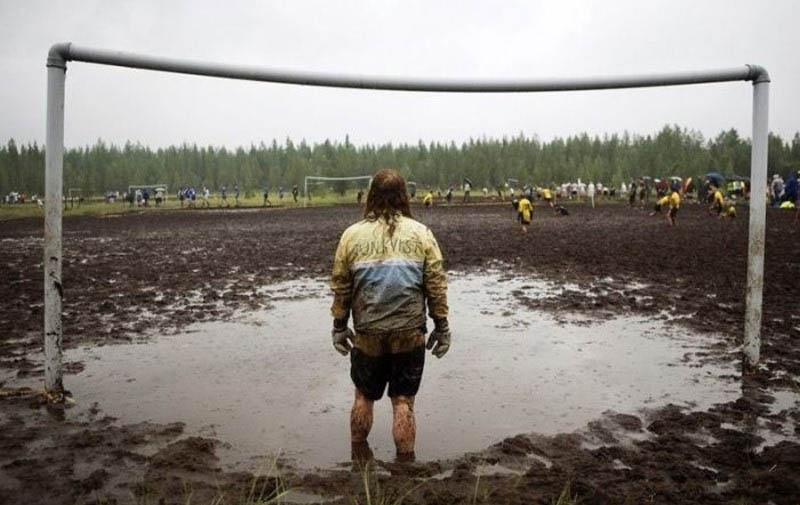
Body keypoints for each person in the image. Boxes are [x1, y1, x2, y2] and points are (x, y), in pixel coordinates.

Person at [329, 169, 450, 462]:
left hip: (368, 331)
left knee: (363, 396)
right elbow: (435, 284)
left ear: (371, 195)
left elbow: (342, 284)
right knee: (403, 401)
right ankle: (405, 469)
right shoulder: (421, 233)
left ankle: (358, 462)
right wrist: (442, 326)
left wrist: (339, 326)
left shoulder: (351, 235)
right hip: (409, 331)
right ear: (403, 196)